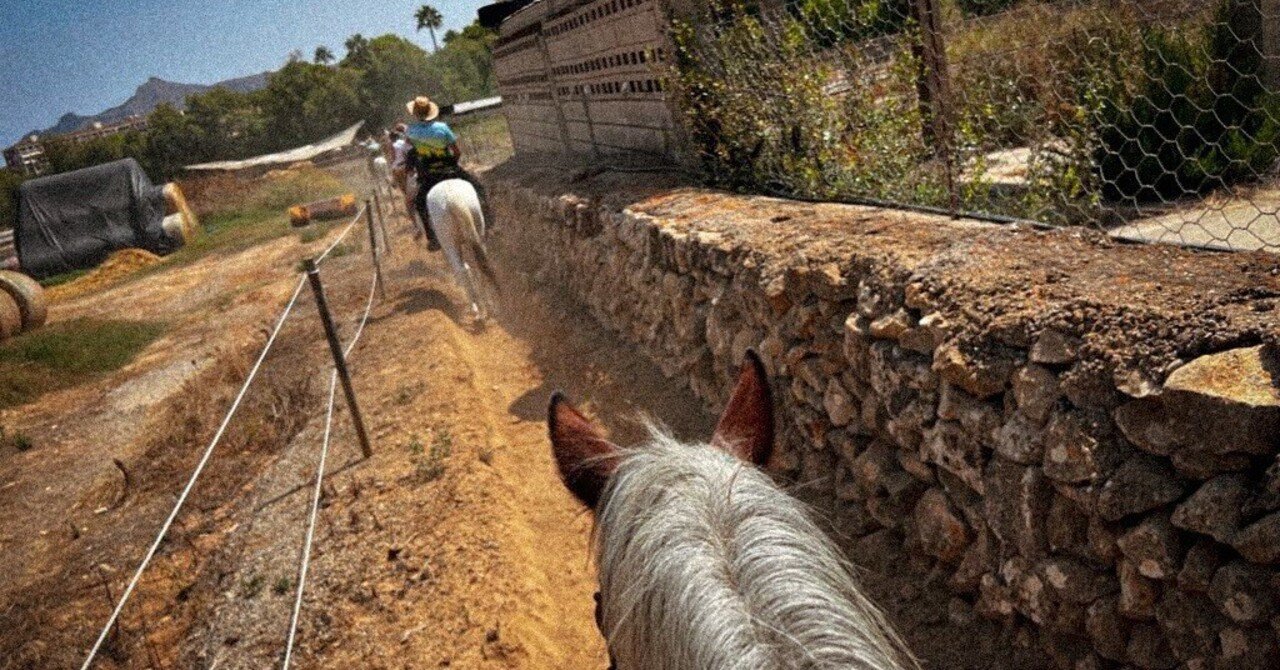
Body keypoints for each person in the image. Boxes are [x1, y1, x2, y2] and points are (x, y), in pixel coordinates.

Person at [402, 96, 487, 251]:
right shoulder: (442, 127)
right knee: (479, 188)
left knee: (420, 204)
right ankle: (487, 220)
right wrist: (450, 163)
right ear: (430, 111)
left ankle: (432, 238)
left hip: (429, 175)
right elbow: (457, 151)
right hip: (450, 169)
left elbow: (411, 149)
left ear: (415, 114)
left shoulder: (411, 131)